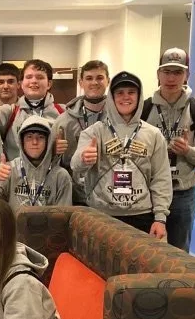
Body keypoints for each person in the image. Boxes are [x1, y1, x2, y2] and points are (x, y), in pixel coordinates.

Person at [71, 71, 171, 237]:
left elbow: (161, 178)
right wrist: (84, 158)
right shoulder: (94, 132)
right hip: (101, 213)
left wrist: (160, 218)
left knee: (137, 263)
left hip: (141, 215)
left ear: (139, 96)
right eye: (120, 93)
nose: (126, 97)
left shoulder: (153, 135)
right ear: (111, 97)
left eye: (131, 92)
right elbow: (75, 166)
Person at [142, 48, 195, 251]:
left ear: (187, 75)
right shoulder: (144, 110)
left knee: (179, 253)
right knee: (144, 251)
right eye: (166, 71)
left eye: (177, 72)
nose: (171, 78)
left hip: (182, 195)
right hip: (149, 195)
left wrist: (188, 151)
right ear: (158, 74)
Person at [0, 59, 66, 162]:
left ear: (49, 84)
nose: (34, 81)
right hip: (18, 176)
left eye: (39, 77)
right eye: (29, 77)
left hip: (52, 175)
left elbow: (72, 154)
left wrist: (62, 151)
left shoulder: (63, 113)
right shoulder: (11, 111)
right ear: (22, 83)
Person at [0, 117, 72, 211]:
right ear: (21, 141)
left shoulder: (61, 176)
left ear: (48, 142)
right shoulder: (8, 170)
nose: (35, 142)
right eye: (29, 137)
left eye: (40, 137)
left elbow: (64, 216)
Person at [62, 60, 109, 204]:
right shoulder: (65, 120)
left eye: (99, 78)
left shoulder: (119, 117)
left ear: (108, 81)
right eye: (89, 78)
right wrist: (55, 151)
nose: (94, 82)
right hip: (77, 195)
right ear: (81, 83)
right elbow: (57, 163)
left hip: (110, 195)